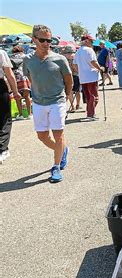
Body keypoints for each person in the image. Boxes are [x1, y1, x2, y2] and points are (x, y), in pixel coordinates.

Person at [22, 25, 72, 182]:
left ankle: (56, 167)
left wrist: (67, 95)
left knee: (58, 134)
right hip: (38, 103)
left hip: (57, 101)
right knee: (42, 136)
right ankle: (63, 150)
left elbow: (68, 80)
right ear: (34, 39)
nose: (46, 43)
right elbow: (30, 78)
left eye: (49, 40)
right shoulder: (28, 60)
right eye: (42, 40)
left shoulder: (60, 59)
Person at [0, 49, 21, 164]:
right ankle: (2, 149)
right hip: (0, 86)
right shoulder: (1, 53)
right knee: (4, 118)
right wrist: (15, 91)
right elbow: (9, 74)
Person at [73, 34, 102, 120]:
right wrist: (100, 68)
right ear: (86, 41)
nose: (92, 43)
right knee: (94, 96)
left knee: (88, 96)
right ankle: (90, 114)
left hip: (83, 77)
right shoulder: (89, 50)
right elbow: (93, 62)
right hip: (91, 76)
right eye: (91, 41)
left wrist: (80, 72)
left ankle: (89, 113)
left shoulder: (78, 51)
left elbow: (74, 65)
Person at [10, 45, 32, 119]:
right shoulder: (25, 56)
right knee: (27, 96)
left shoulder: (11, 57)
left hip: (15, 78)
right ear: (22, 50)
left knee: (17, 97)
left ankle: (20, 114)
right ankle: (29, 114)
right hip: (24, 77)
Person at [61, 46, 82, 112]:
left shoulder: (63, 57)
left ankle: (72, 106)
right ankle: (77, 105)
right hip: (76, 75)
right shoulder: (75, 56)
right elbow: (75, 67)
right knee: (77, 91)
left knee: (70, 92)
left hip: (67, 76)